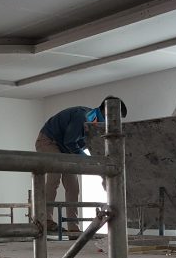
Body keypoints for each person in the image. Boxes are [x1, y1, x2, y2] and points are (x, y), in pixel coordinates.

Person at [35, 96, 128, 232]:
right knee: (54, 176)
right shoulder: (84, 116)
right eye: (115, 118)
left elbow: (91, 148)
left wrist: (102, 170)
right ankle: (46, 219)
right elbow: (70, 141)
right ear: (105, 111)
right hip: (49, 141)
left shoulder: (99, 127)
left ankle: (73, 228)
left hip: (65, 149)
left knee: (73, 187)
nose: (115, 122)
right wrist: (89, 161)